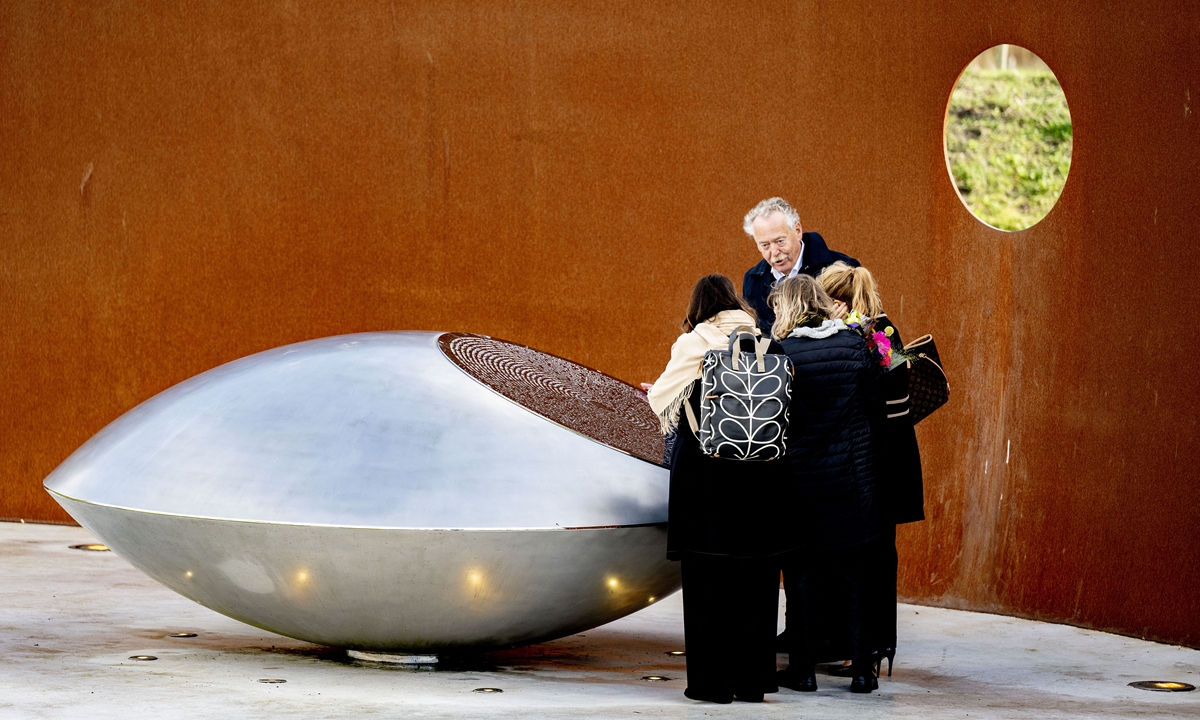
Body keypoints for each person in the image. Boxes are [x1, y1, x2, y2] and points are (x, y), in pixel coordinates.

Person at [646, 274, 790, 704]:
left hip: (707, 479)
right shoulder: (765, 341)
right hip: (762, 478)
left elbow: (662, 401)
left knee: (708, 581)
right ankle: (752, 682)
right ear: (734, 303)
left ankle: (712, 685)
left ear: (699, 307)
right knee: (757, 579)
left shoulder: (695, 343)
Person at [769, 275, 888, 694]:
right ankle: (861, 672)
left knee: (801, 578)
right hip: (853, 481)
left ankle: (803, 671)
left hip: (801, 483)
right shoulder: (857, 346)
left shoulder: (783, 352)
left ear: (786, 308)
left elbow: (775, 421)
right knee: (854, 577)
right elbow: (875, 407)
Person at [817, 261, 926, 680]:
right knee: (880, 558)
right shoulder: (885, 331)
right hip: (893, 463)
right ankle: (877, 648)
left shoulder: (859, 337)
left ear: (838, 301)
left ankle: (861, 650)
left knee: (864, 559)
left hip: (870, 465)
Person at [741, 197, 860, 335]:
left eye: (780, 241)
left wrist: (839, 324)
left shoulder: (842, 267)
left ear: (798, 231)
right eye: (765, 245)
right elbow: (757, 340)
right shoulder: (753, 280)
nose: (774, 252)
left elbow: (876, 328)